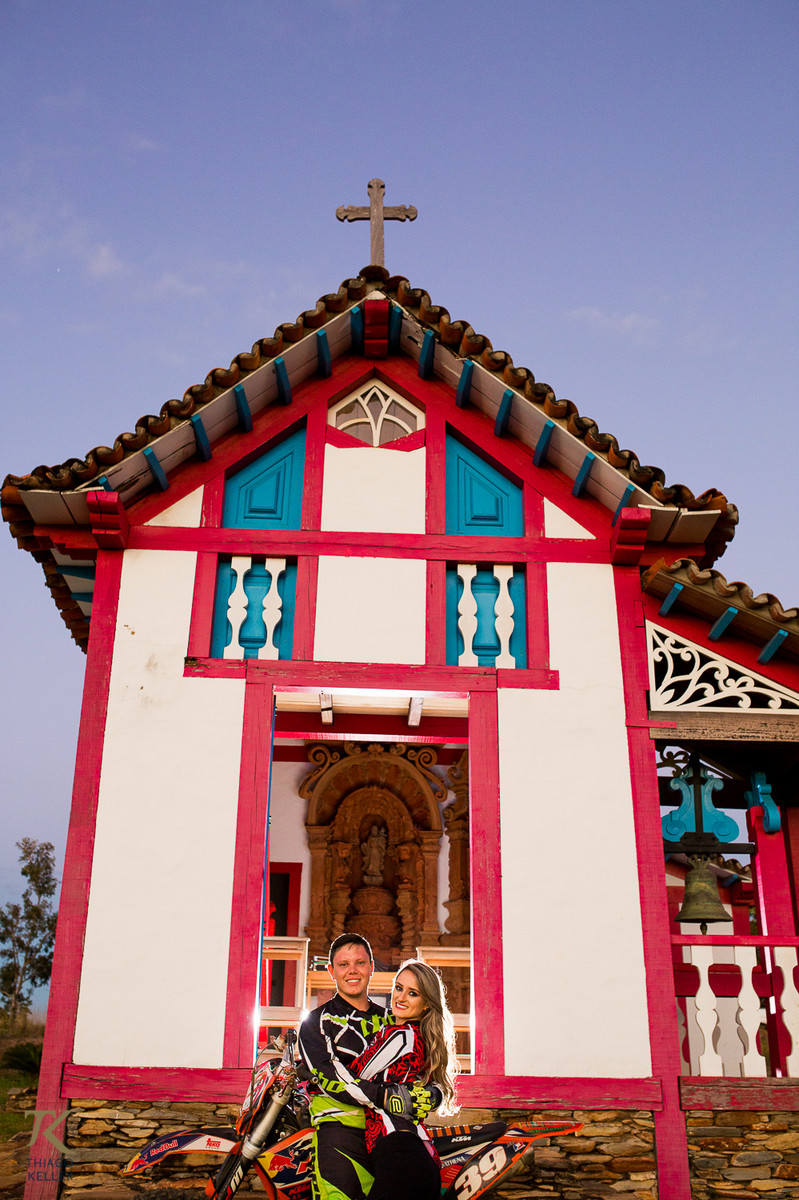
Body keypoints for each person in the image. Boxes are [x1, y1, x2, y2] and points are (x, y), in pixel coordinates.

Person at [298, 935, 439, 1200]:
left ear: (371, 967)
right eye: (343, 964)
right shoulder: (315, 1021)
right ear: (331, 971)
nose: (352, 970)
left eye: (360, 962)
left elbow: (425, 1062)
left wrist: (434, 1095)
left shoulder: (393, 1017)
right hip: (340, 1129)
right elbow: (328, 1074)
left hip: (390, 1132)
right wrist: (384, 1095)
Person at [351, 959, 459, 1200]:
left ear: (426, 1005)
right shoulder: (419, 1037)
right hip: (413, 1155)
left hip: (400, 1155)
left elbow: (356, 1077)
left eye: (413, 993)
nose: (400, 997)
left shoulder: (403, 1036)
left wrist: (314, 1074)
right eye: (398, 988)